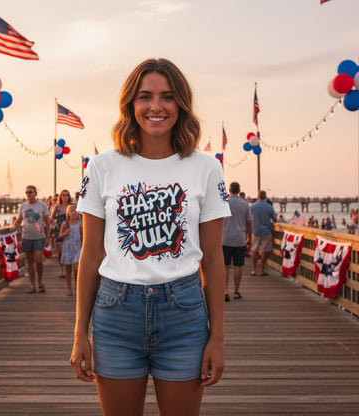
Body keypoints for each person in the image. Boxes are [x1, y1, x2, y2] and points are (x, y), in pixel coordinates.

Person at [70, 58, 231, 416]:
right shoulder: (101, 167)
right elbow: (91, 254)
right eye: (145, 97)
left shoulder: (206, 167)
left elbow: (214, 257)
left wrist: (217, 338)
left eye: (167, 97)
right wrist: (81, 332)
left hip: (184, 314)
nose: (156, 107)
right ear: (130, 104)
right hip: (116, 314)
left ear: (181, 105)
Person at [12, 185, 50, 293]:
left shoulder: (42, 205)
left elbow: (47, 221)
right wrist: (14, 226)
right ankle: (32, 284)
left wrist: (47, 237)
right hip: (26, 236)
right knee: (29, 261)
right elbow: (19, 219)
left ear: (35, 193)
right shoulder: (23, 206)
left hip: (39, 236)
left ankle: (40, 281)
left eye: (30, 192)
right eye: (27, 192)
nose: (28, 194)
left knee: (38, 259)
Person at [222, 182, 252, 301]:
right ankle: (236, 291)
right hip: (240, 239)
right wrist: (250, 237)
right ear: (239, 190)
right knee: (238, 265)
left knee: (225, 266)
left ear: (229, 190)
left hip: (225, 238)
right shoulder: (245, 204)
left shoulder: (224, 202)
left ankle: (225, 291)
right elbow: (249, 223)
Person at [251, 190, 277, 276]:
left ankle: (254, 270)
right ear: (265, 197)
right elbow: (275, 218)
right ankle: (261, 270)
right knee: (264, 251)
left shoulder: (253, 206)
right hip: (266, 231)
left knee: (254, 251)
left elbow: (248, 218)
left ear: (258, 196)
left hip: (255, 231)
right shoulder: (269, 206)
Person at [59, 205, 83, 296]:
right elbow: (60, 236)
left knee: (77, 268)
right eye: (71, 211)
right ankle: (69, 288)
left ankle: (77, 285)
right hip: (67, 248)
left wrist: (83, 243)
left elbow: (82, 236)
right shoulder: (65, 224)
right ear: (68, 213)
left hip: (77, 248)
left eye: (75, 211)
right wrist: (65, 233)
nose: (73, 212)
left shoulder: (79, 224)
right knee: (68, 270)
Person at [50, 189, 73, 279]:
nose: (65, 196)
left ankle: (68, 269)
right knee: (60, 252)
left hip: (69, 229)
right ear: (60, 196)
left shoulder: (71, 206)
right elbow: (51, 218)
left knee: (69, 250)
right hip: (58, 230)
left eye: (67, 195)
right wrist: (53, 226)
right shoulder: (57, 206)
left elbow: (78, 216)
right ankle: (62, 269)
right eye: (63, 195)